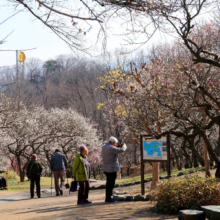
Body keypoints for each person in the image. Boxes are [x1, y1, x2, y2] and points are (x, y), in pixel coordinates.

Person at [102, 136, 127, 203]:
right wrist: (124, 146)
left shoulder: (104, 147)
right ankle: (108, 199)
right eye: (115, 143)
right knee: (111, 184)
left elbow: (113, 151)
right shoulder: (111, 148)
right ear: (112, 142)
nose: (115, 144)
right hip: (111, 169)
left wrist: (117, 147)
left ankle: (107, 198)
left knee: (108, 183)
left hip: (105, 168)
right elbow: (121, 150)